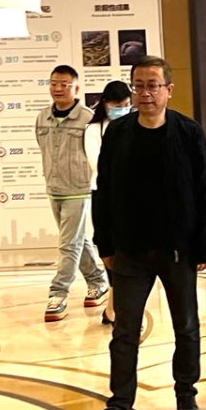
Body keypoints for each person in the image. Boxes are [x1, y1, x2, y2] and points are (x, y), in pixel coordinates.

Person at [86, 57, 206, 410]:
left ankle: (186, 392)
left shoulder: (188, 132)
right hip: (130, 250)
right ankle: (119, 408)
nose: (145, 93)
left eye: (153, 85)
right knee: (124, 330)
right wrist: (104, 243)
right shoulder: (118, 133)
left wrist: (205, 245)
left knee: (186, 326)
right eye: (139, 86)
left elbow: (205, 188)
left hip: (178, 249)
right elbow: (104, 190)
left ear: (168, 90)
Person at [36, 64, 109, 323]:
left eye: (64, 84)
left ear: (76, 88)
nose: (58, 88)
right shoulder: (42, 117)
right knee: (77, 241)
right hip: (54, 188)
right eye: (54, 83)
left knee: (68, 244)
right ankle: (98, 282)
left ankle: (58, 294)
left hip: (78, 189)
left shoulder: (87, 118)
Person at [86, 80, 132, 328]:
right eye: (116, 105)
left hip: (131, 197)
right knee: (110, 252)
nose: (121, 109)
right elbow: (98, 164)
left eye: (126, 104)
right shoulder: (94, 130)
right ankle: (114, 306)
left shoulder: (135, 124)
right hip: (104, 196)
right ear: (105, 104)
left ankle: (115, 307)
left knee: (129, 252)